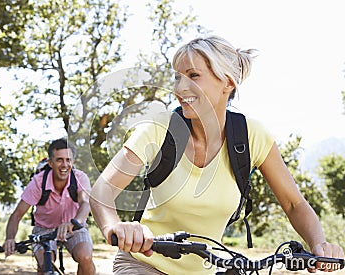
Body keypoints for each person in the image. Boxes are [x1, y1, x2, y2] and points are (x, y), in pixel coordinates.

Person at [89, 35, 345, 274]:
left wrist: (319, 244)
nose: (180, 87)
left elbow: (294, 204)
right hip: (143, 264)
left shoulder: (251, 136)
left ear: (227, 83)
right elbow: (102, 190)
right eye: (177, 77)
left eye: (193, 75)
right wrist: (116, 227)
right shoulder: (159, 129)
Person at [4, 138, 95, 275]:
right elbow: (17, 215)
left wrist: (73, 222)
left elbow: (85, 203)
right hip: (44, 229)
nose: (64, 165)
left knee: (85, 256)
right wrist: (10, 238)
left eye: (68, 160)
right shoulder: (38, 182)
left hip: (74, 226)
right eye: (59, 160)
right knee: (45, 265)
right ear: (51, 163)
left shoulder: (80, 178)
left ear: (73, 162)